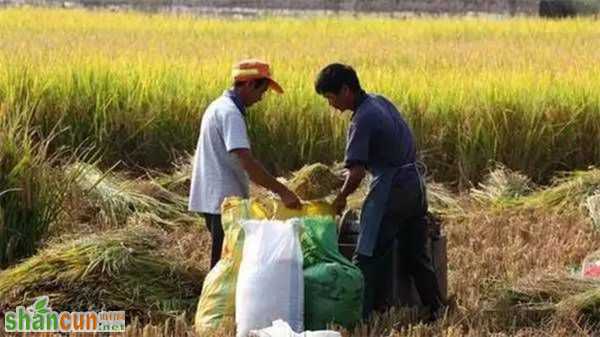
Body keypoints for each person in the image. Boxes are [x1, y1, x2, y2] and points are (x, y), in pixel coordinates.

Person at [314, 63, 444, 321]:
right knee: (416, 254)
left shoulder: (362, 120)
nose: (331, 105)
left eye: (331, 98)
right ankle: (437, 308)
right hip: (415, 186)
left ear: (345, 90)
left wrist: (340, 199)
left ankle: (359, 317)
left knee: (367, 254)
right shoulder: (379, 101)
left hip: (391, 191)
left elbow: (357, 172)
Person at [189, 59, 301, 269]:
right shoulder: (230, 113)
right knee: (224, 265)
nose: (261, 98)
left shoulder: (219, 107)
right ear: (250, 84)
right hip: (223, 200)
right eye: (262, 91)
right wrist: (283, 191)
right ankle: (216, 303)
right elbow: (247, 163)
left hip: (217, 197)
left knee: (227, 262)